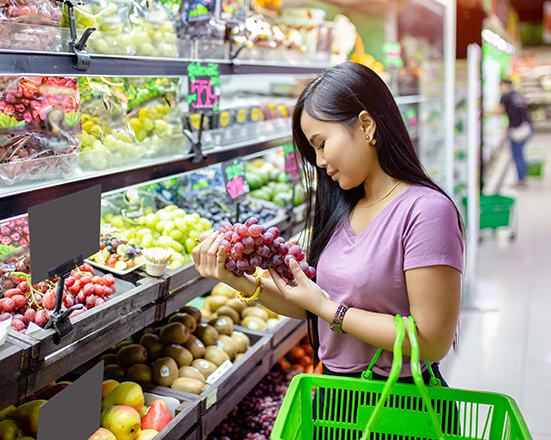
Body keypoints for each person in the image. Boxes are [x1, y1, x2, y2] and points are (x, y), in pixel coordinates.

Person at [193, 62, 464, 391]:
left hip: (399, 402)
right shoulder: (343, 207)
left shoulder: (426, 211)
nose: (319, 161)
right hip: (334, 397)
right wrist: (240, 281)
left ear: (366, 126)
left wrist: (328, 308)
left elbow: (432, 340)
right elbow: (311, 302)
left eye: (321, 144)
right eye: (312, 149)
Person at [491, 78, 532, 188]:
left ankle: (521, 181)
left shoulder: (506, 96)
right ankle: (522, 178)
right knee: (520, 154)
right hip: (526, 126)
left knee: (517, 154)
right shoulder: (517, 95)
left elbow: (498, 111)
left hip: (518, 130)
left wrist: (483, 112)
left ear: (504, 85)